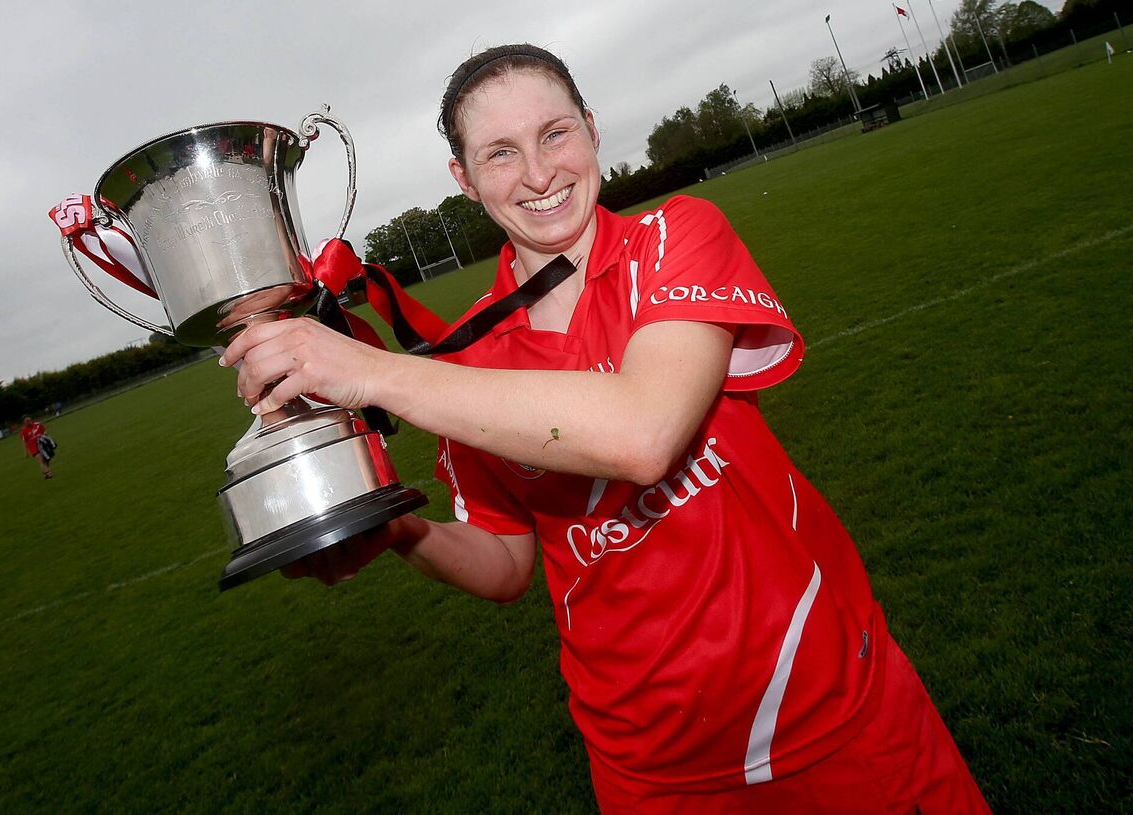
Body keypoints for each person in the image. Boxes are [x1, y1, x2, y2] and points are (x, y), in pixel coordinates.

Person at [220, 44, 990, 814]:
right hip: (647, 773)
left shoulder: (677, 236)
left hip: (833, 718)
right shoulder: (467, 368)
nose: (538, 173)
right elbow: (507, 562)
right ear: (464, 178)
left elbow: (646, 434)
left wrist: (371, 372)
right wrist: (396, 531)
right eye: (500, 152)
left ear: (591, 129)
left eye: (555, 134)